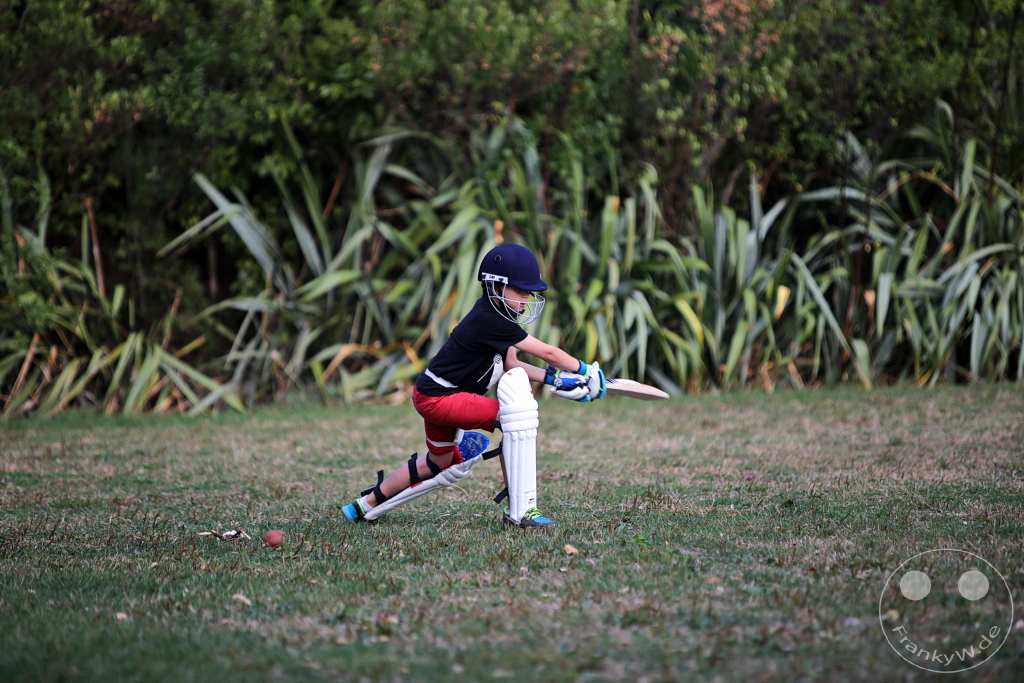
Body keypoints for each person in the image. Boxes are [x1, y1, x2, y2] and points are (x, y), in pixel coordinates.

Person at [341, 243, 605, 527]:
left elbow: (512, 364)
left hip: (430, 393)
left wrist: (556, 378)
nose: (528, 297)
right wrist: (584, 370)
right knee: (516, 418)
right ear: (496, 286)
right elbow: (548, 352)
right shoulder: (491, 319)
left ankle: (364, 505)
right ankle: (521, 510)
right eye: (521, 289)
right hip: (441, 398)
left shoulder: (500, 314)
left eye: (530, 291)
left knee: (439, 463)